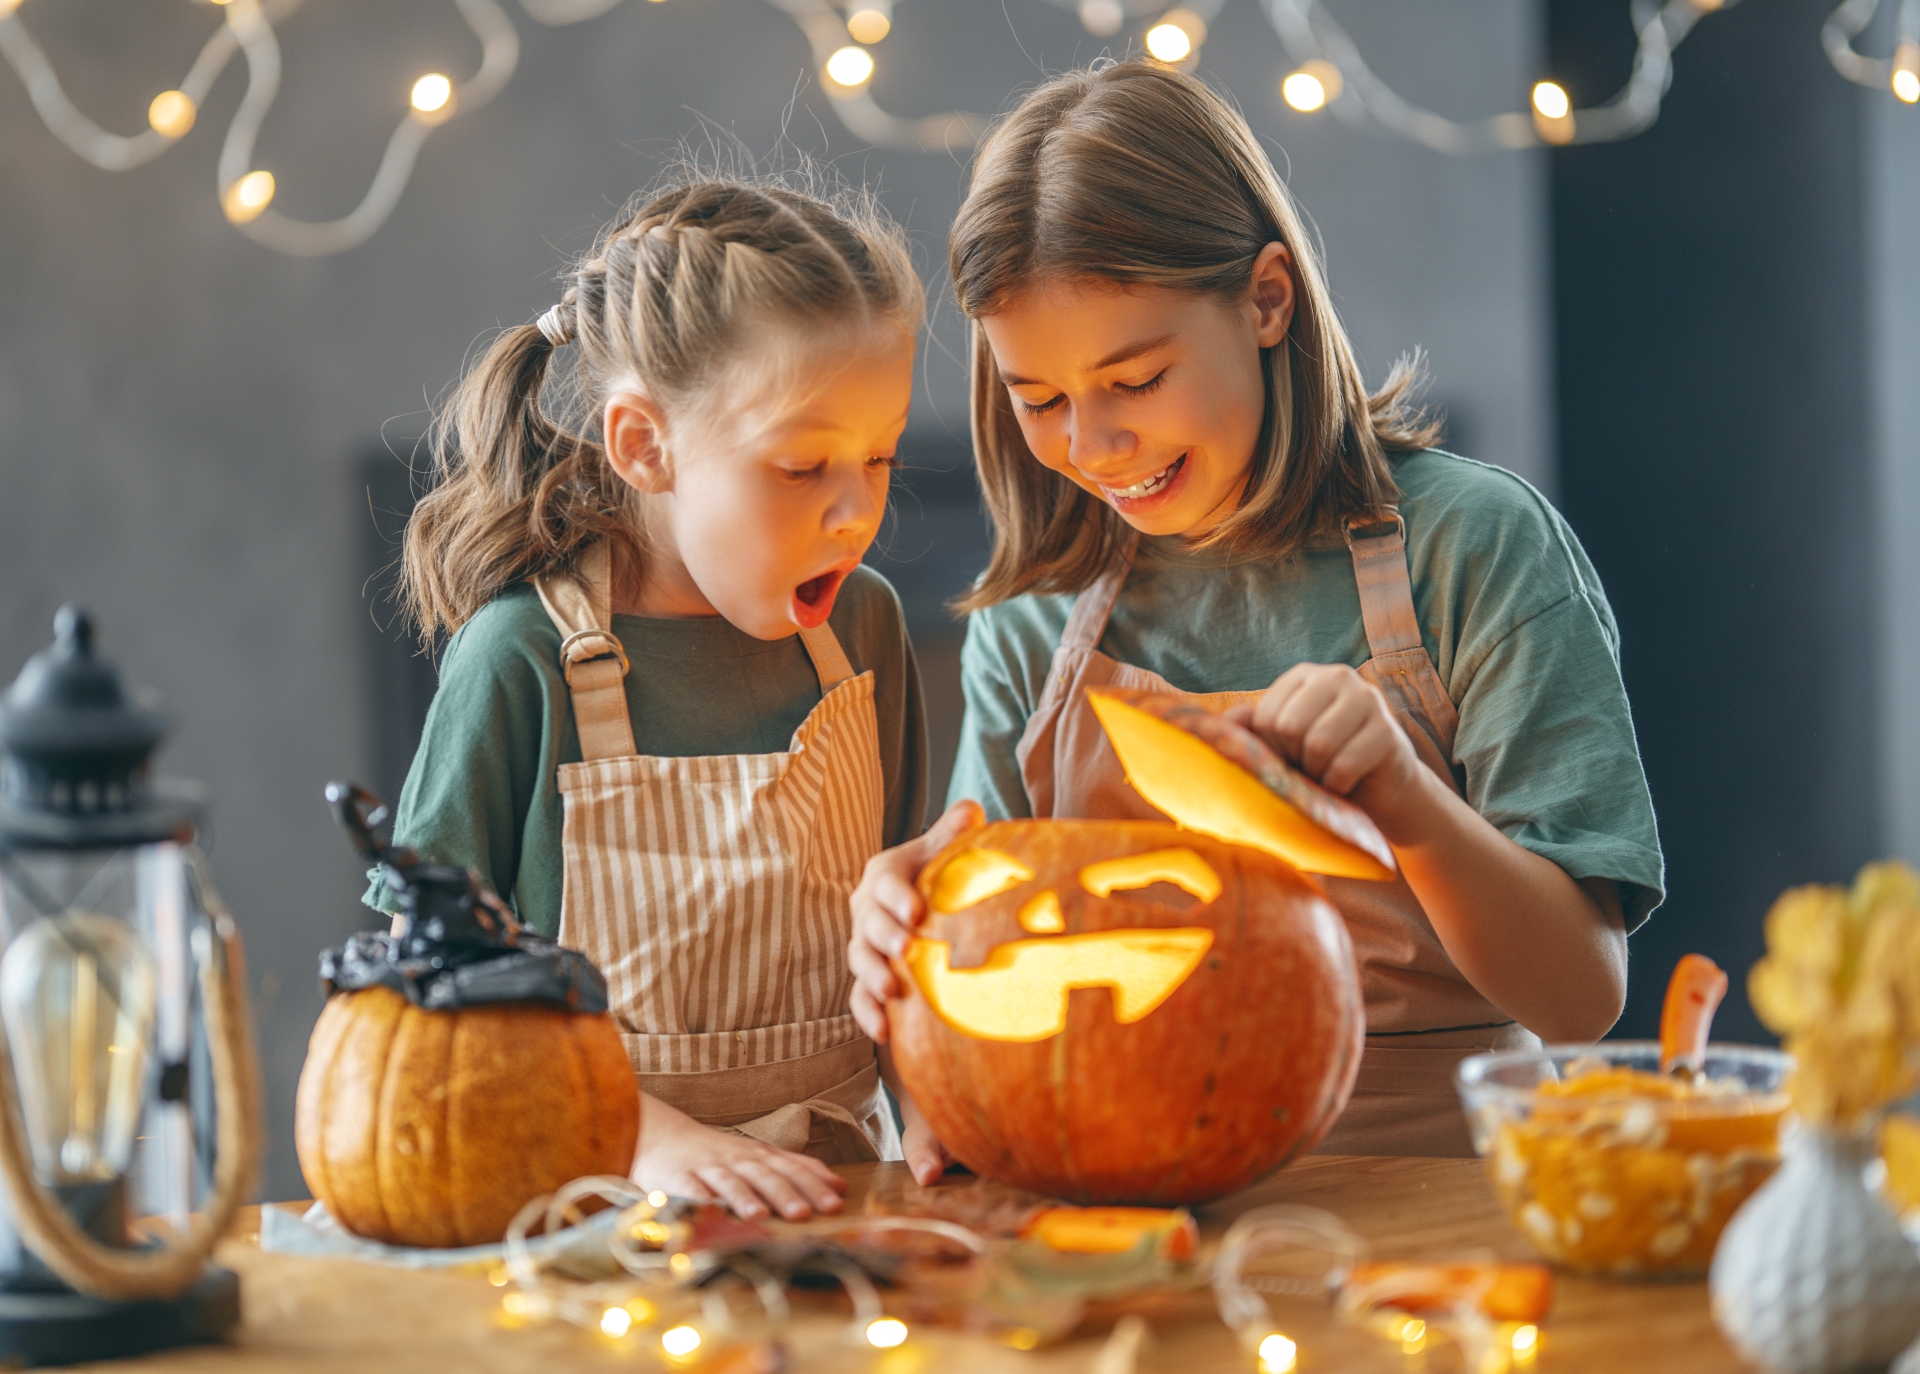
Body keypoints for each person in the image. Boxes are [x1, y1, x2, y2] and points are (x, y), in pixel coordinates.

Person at [848, 61, 1664, 1175]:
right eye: (1038, 401)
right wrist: (909, 947)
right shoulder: (1034, 622)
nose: (1092, 447)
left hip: (1443, 1184)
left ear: (1267, 298)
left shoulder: (1472, 546)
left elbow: (1581, 997)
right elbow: (981, 999)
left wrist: (1408, 806)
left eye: (1135, 380)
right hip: (1132, 1206)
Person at [372, 176, 931, 1220]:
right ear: (644, 445)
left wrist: (949, 1102)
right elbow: (415, 1007)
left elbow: (905, 942)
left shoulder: (866, 633)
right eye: (803, 464)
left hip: (846, 1213)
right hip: (584, 1226)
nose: (856, 512)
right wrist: (639, 1132)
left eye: (881, 455)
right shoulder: (518, 660)